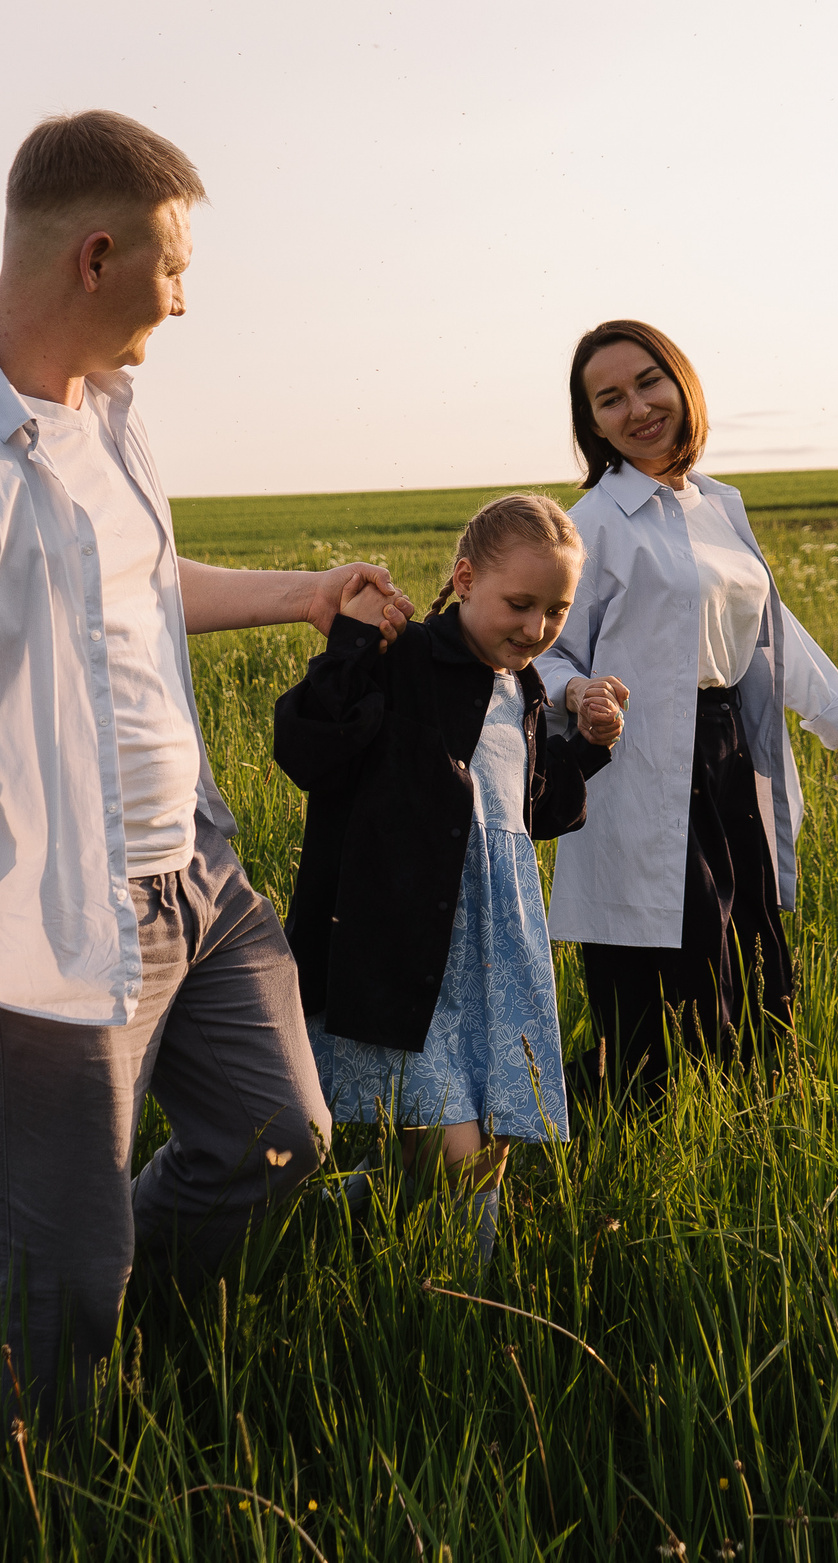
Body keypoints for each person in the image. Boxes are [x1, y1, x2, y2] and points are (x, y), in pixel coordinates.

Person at [0, 111, 410, 1424]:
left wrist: (303, 591)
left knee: (281, 1137)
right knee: (58, 1260)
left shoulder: (111, 409)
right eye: (172, 267)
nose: (183, 300)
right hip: (58, 916)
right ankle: (42, 1474)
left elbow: (131, 586)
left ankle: (135, 1311)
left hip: (200, 868)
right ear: (96, 257)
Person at [536, 320, 838, 1102]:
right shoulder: (591, 526)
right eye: (609, 399)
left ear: (681, 384)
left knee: (746, 945)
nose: (637, 408)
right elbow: (541, 651)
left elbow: (768, 633)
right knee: (664, 977)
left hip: (725, 752)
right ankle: (609, 1120)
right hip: (637, 757)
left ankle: (748, 1114)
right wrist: (577, 693)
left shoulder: (716, 506)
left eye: (648, 382)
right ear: (593, 424)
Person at [272, 494, 623, 1260]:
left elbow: (532, 809)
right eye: (519, 604)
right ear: (465, 579)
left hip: (496, 959)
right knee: (456, 1160)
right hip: (410, 955)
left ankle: (322, 1231)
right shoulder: (405, 660)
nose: (536, 628)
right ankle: (458, 1297)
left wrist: (590, 746)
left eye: (557, 610)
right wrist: (354, 642)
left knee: (486, 1149)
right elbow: (305, 744)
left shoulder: (523, 689)